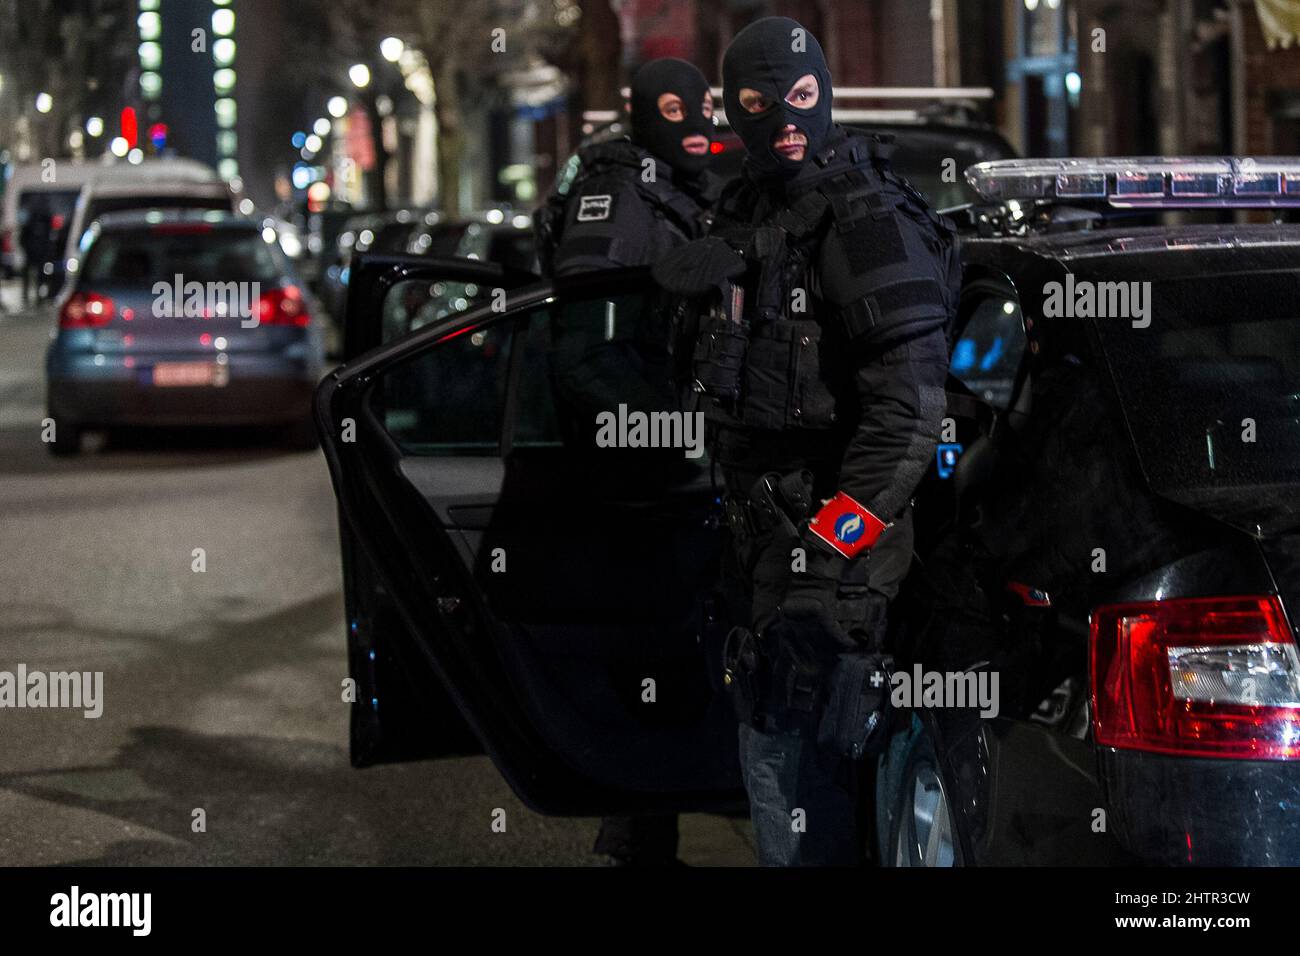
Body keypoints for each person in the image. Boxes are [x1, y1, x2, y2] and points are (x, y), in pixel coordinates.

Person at [653, 16, 960, 866]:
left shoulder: (867, 223)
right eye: (759, 103)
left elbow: (907, 421)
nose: (785, 118)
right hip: (759, 540)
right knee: (773, 770)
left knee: (810, 793)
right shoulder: (749, 205)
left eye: (799, 96)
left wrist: (833, 551)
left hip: (835, 553)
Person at [533, 56, 719, 867]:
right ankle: (635, 840)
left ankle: (650, 828)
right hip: (640, 483)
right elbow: (586, 356)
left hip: (683, 475)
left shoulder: (681, 186)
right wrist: (669, 433)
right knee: (653, 659)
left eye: (701, 106)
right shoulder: (618, 197)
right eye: (673, 109)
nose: (694, 121)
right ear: (643, 114)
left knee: (680, 658)